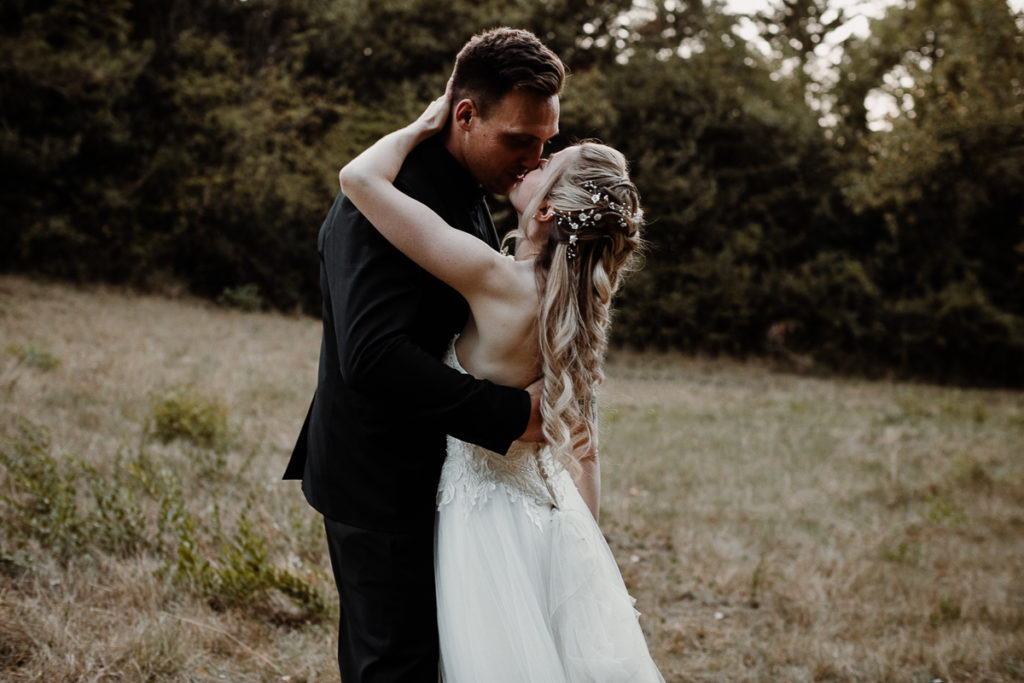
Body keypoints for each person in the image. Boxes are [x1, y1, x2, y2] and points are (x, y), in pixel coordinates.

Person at [339, 80, 664, 681]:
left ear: (545, 211)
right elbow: (586, 454)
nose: (535, 160)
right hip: (552, 515)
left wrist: (421, 126)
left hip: (480, 518)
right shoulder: (582, 315)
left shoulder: (493, 278)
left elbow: (358, 181)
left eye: (549, 163)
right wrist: (580, 548)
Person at [284, 29, 563, 682]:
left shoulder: (468, 184)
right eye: (519, 139)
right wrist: (512, 413)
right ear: (465, 115)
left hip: (439, 475)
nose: (533, 160)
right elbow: (373, 355)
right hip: (379, 478)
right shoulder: (381, 202)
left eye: (545, 142)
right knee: (394, 665)